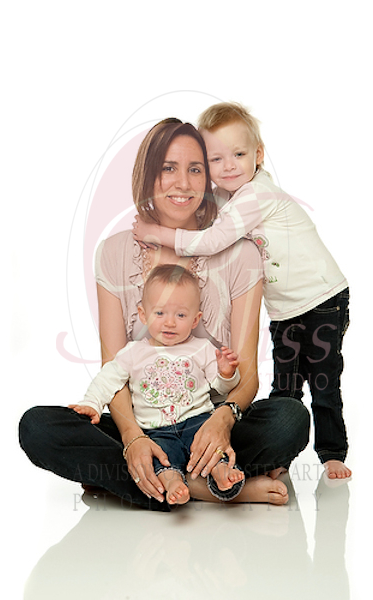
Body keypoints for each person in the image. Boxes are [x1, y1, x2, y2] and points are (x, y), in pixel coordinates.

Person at [19, 118, 310, 512]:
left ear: (209, 178)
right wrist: (133, 438)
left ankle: (140, 482)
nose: (183, 183)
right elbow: (114, 367)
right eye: (168, 168)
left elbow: (246, 376)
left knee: (289, 419)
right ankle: (211, 487)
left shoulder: (241, 254)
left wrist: (223, 420)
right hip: (141, 423)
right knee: (38, 427)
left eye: (196, 169)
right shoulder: (113, 253)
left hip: (209, 421)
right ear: (148, 175)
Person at [133, 104, 351, 480]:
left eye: (238, 154)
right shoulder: (230, 195)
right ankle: (280, 454)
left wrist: (159, 233)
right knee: (285, 383)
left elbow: (213, 240)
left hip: (322, 299)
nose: (229, 166)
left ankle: (332, 453)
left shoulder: (256, 195)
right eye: (215, 159)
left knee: (323, 380)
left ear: (258, 155)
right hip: (285, 309)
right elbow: (203, 204)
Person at [68, 264, 245, 505]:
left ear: (195, 319)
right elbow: (107, 379)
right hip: (155, 431)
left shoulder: (202, 348)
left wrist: (226, 373)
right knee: (161, 457)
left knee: (212, 448)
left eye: (180, 315)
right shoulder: (133, 352)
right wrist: (92, 404)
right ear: (143, 314)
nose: (169, 322)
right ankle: (173, 483)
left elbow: (221, 389)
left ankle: (221, 471)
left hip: (198, 422)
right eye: (160, 313)